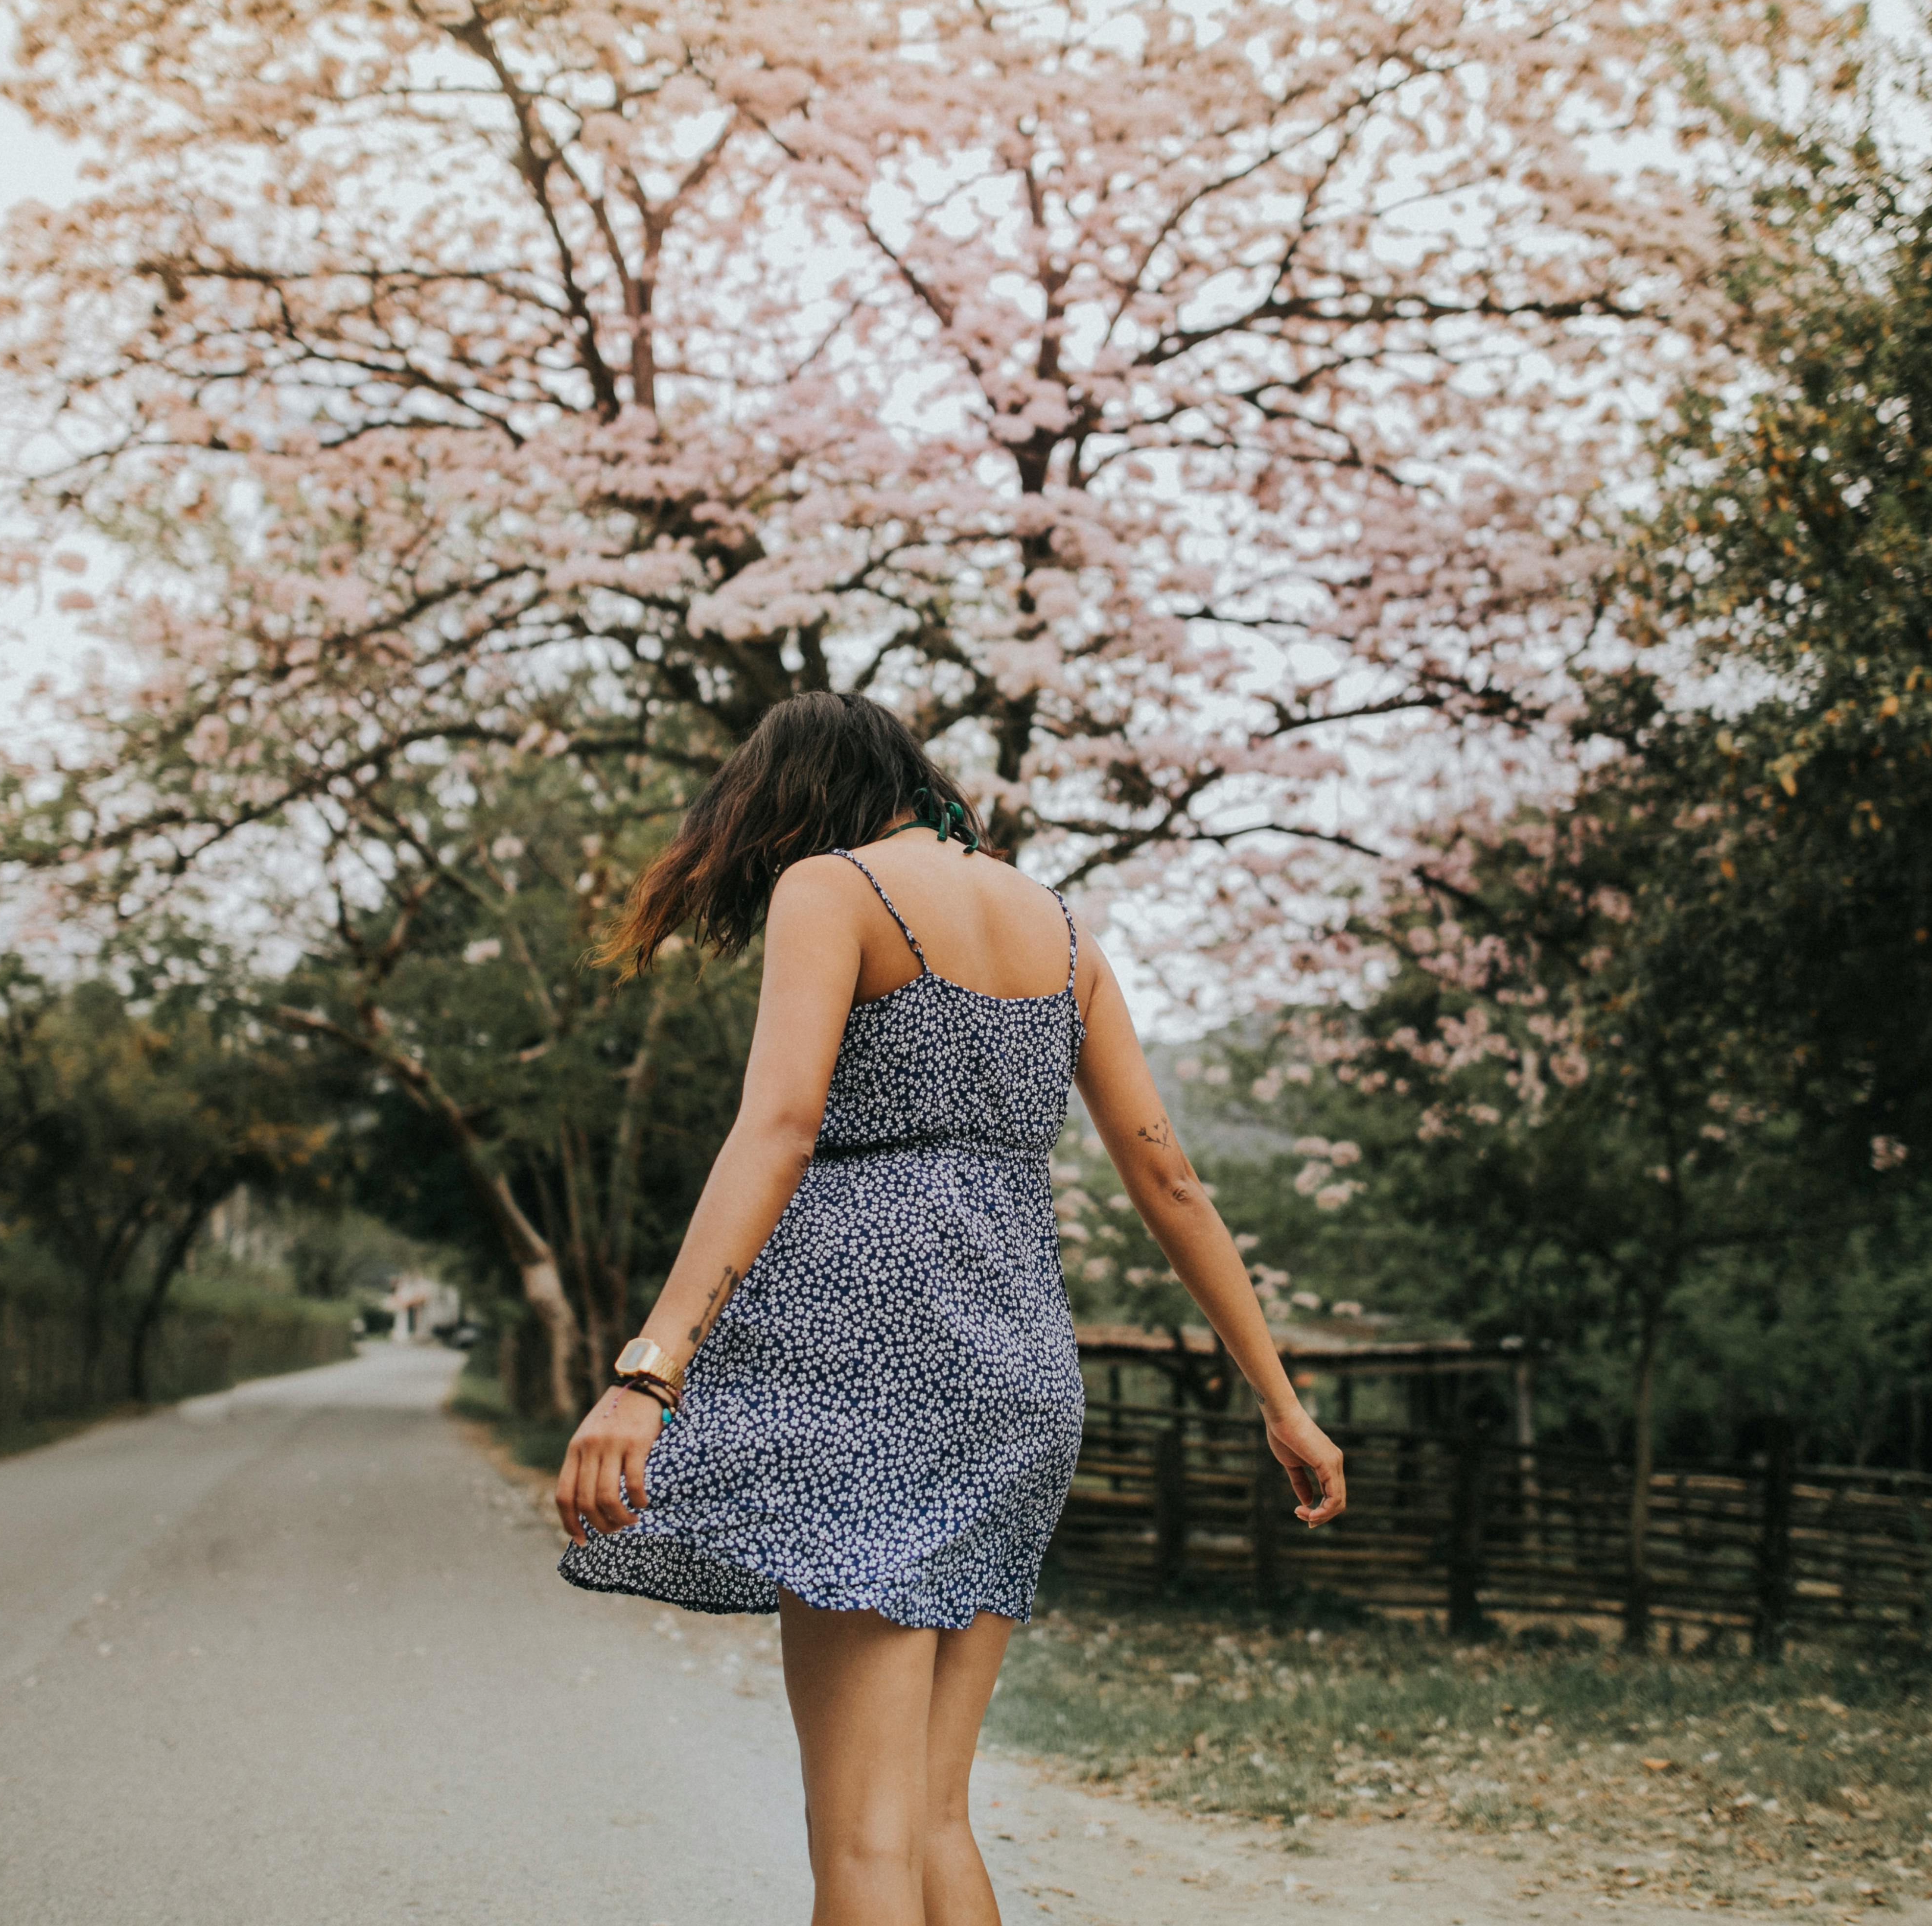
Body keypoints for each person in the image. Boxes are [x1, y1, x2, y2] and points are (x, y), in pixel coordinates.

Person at [555, 690, 1347, 1926]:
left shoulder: (831, 888)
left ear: (797, 796)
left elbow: (779, 1126)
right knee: (929, 1820)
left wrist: (648, 1371)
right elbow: (1171, 1179)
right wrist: (1283, 1404)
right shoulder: (1065, 929)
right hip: (1018, 1376)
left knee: (861, 1841)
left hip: (866, 1365)